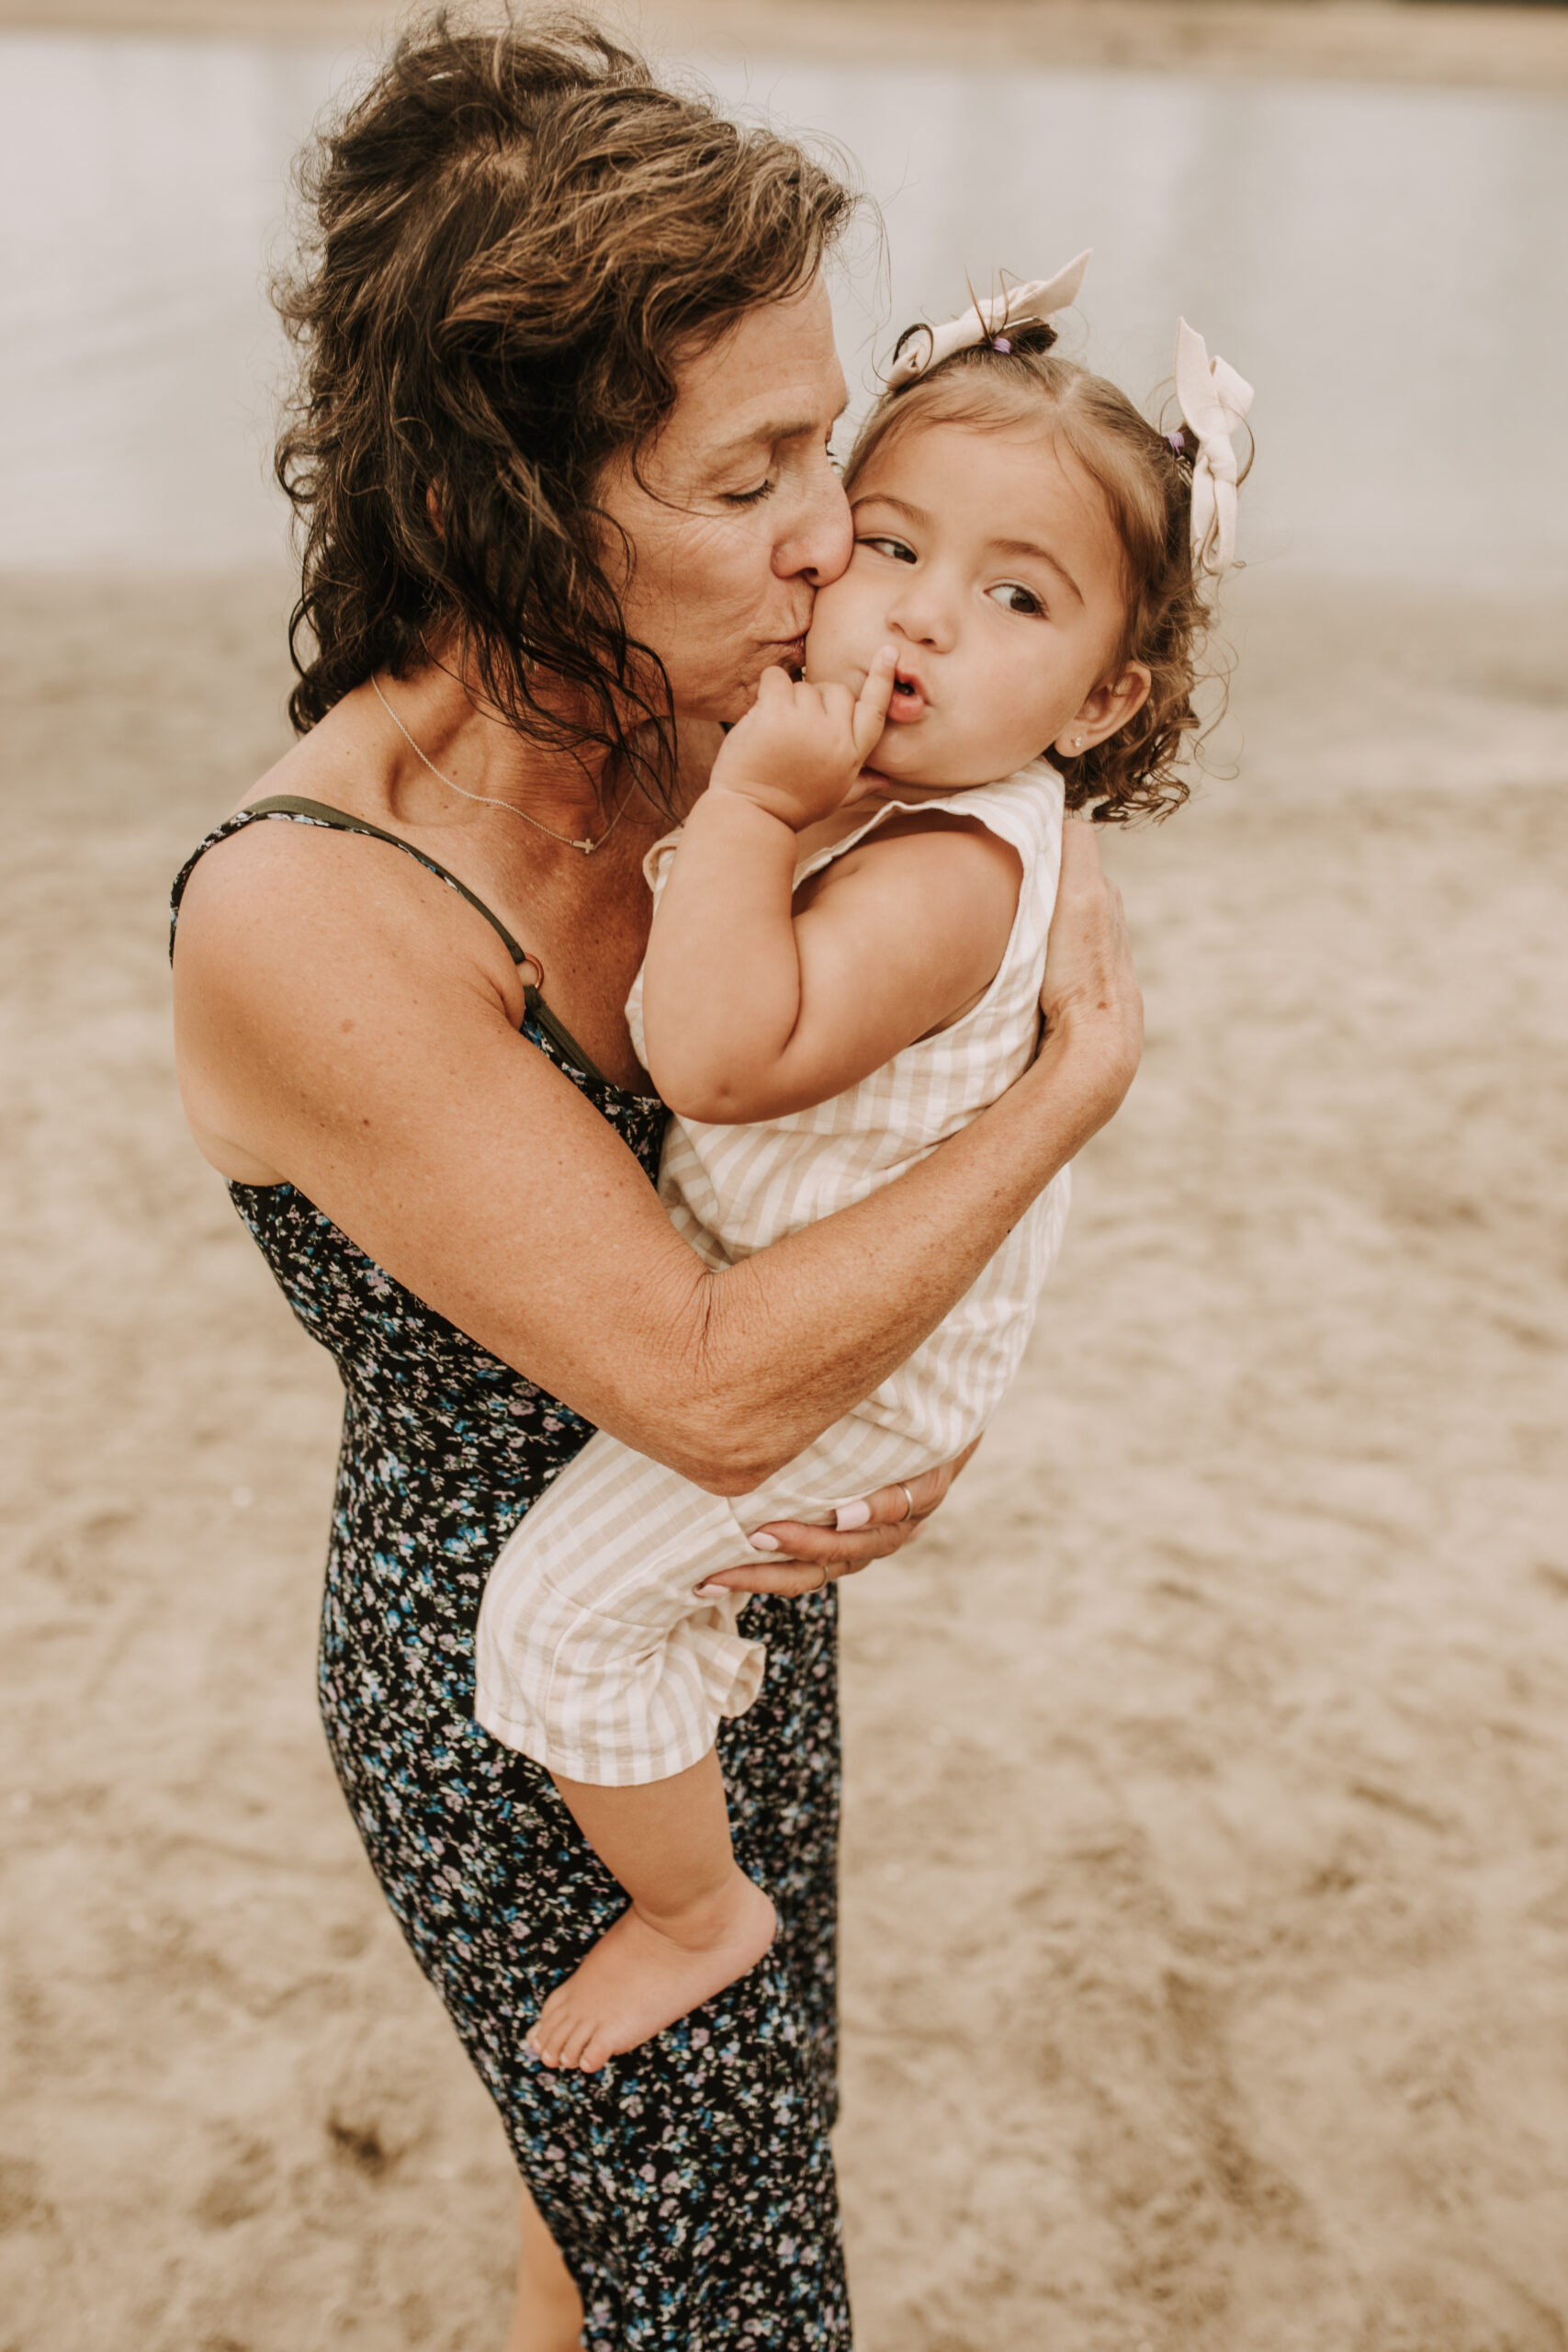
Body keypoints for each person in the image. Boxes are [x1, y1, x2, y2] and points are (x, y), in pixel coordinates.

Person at [168, 17, 1143, 2349]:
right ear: (507, 503)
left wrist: (925, 1426)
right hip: (517, 1678)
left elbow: (886, 1045)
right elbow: (707, 1376)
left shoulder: (714, 698)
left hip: (737, 1594)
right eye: (756, 477)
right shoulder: (313, 909)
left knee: (615, 2227)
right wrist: (1063, 1103)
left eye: (832, 441)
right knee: (726, 2277)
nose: (834, 540)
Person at [477, 271, 1253, 2078]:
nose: (917, 617)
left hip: (848, 1371)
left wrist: (744, 811)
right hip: (878, 1317)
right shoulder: (912, 785)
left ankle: (695, 1911)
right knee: (643, 1588)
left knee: (556, 1613)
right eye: (889, 543)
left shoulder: (951, 874)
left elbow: (717, 1056)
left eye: (1011, 597)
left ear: (1099, 693)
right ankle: (708, 1683)